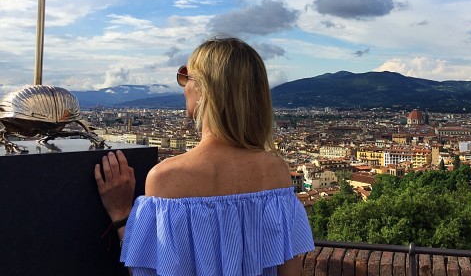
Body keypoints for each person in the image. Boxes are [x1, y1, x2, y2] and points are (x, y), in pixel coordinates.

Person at [95, 37, 315, 275]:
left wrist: (120, 212)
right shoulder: (276, 171)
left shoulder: (166, 177)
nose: (183, 87)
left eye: (185, 76)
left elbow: (146, 272)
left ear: (202, 88)